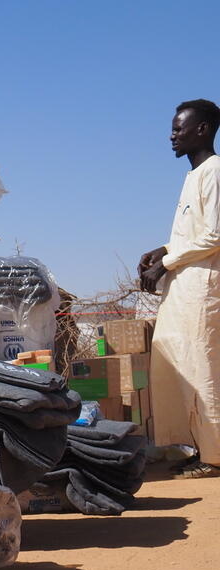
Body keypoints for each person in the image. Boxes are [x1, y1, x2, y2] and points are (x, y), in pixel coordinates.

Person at [139, 99, 220, 478]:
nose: (171, 135)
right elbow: (192, 234)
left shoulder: (215, 171)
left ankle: (215, 455)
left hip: (202, 287)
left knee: (203, 368)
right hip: (183, 288)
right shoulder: (193, 176)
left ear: (202, 129)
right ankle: (197, 445)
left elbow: (215, 235)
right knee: (177, 365)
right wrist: (163, 249)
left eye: (178, 128)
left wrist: (166, 264)